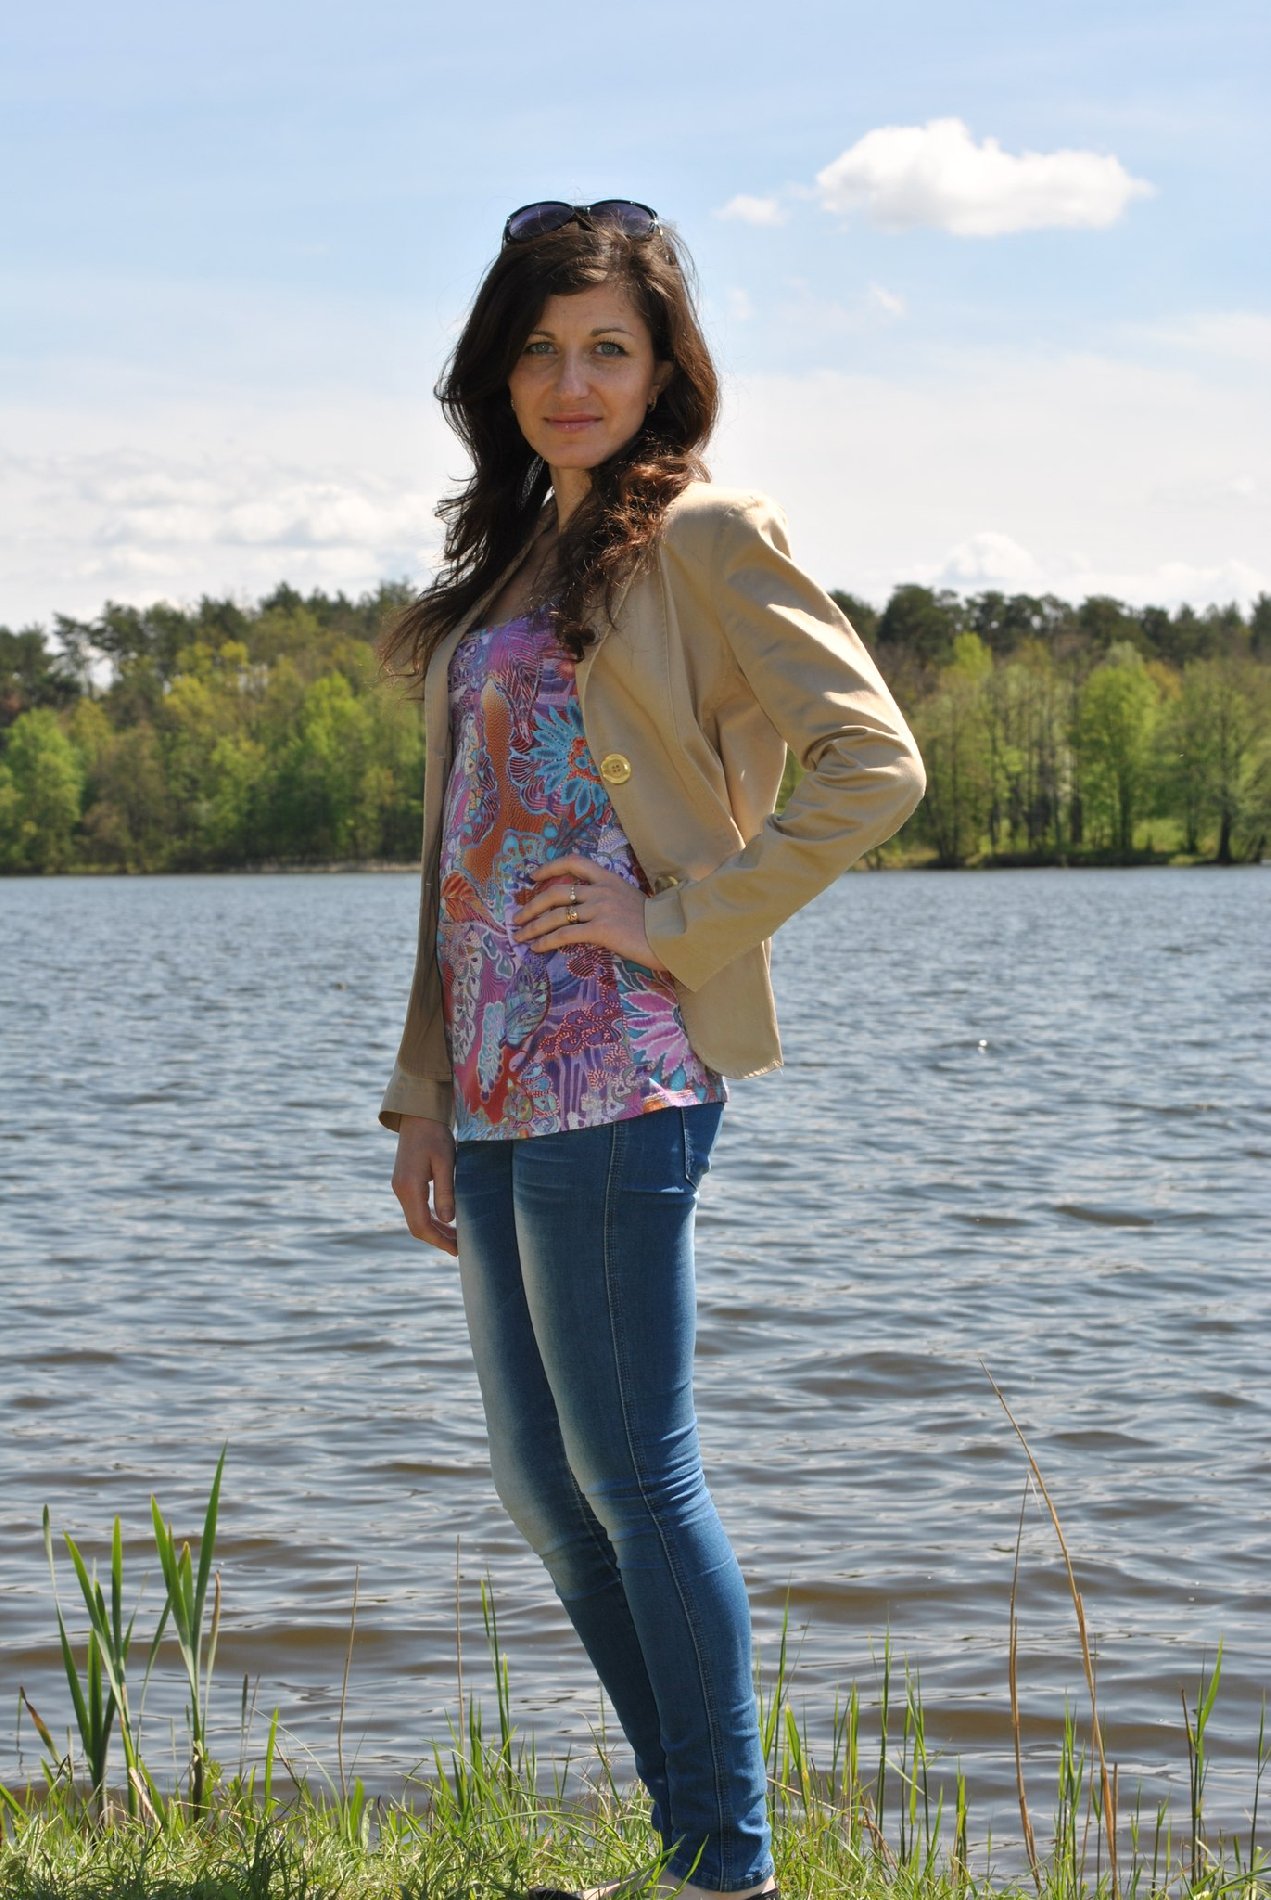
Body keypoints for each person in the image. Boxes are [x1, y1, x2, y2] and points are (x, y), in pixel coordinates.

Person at [379, 198, 926, 1900]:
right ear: (499, 371)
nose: (572, 380)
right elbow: (462, 854)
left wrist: (678, 917)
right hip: (492, 1085)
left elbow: (875, 764)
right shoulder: (508, 567)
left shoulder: (702, 534)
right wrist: (421, 1094)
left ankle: (724, 1870)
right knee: (547, 1492)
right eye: (541, 349)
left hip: (619, 1066)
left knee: (636, 1476)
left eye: (607, 347)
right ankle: (701, 1849)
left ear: (665, 367)